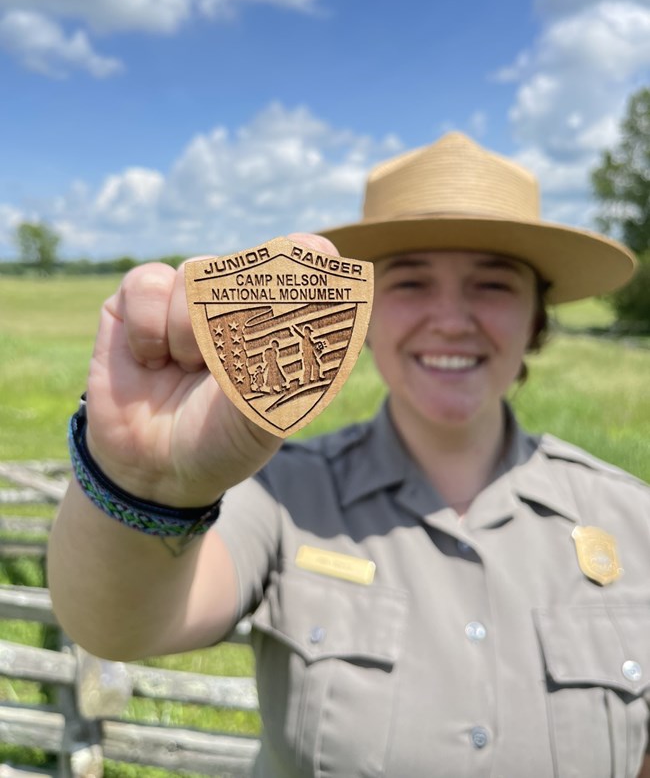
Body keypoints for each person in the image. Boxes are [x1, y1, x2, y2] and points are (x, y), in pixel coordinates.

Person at [48, 132, 650, 778]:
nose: (451, 319)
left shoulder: (634, 516)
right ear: (358, 314)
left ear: (535, 319)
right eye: (410, 282)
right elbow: (121, 627)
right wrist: (145, 484)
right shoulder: (282, 492)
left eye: (493, 285)